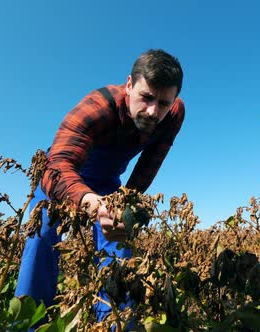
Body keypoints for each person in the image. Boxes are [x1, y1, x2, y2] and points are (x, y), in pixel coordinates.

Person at [15, 49, 185, 323]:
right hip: (62, 178)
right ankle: (30, 324)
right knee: (41, 239)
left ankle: (113, 323)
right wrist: (91, 203)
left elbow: (150, 163)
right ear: (129, 85)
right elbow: (56, 167)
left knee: (118, 252)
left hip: (108, 183)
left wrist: (126, 203)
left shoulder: (174, 113)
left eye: (163, 102)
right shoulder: (98, 107)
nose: (154, 111)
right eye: (146, 97)